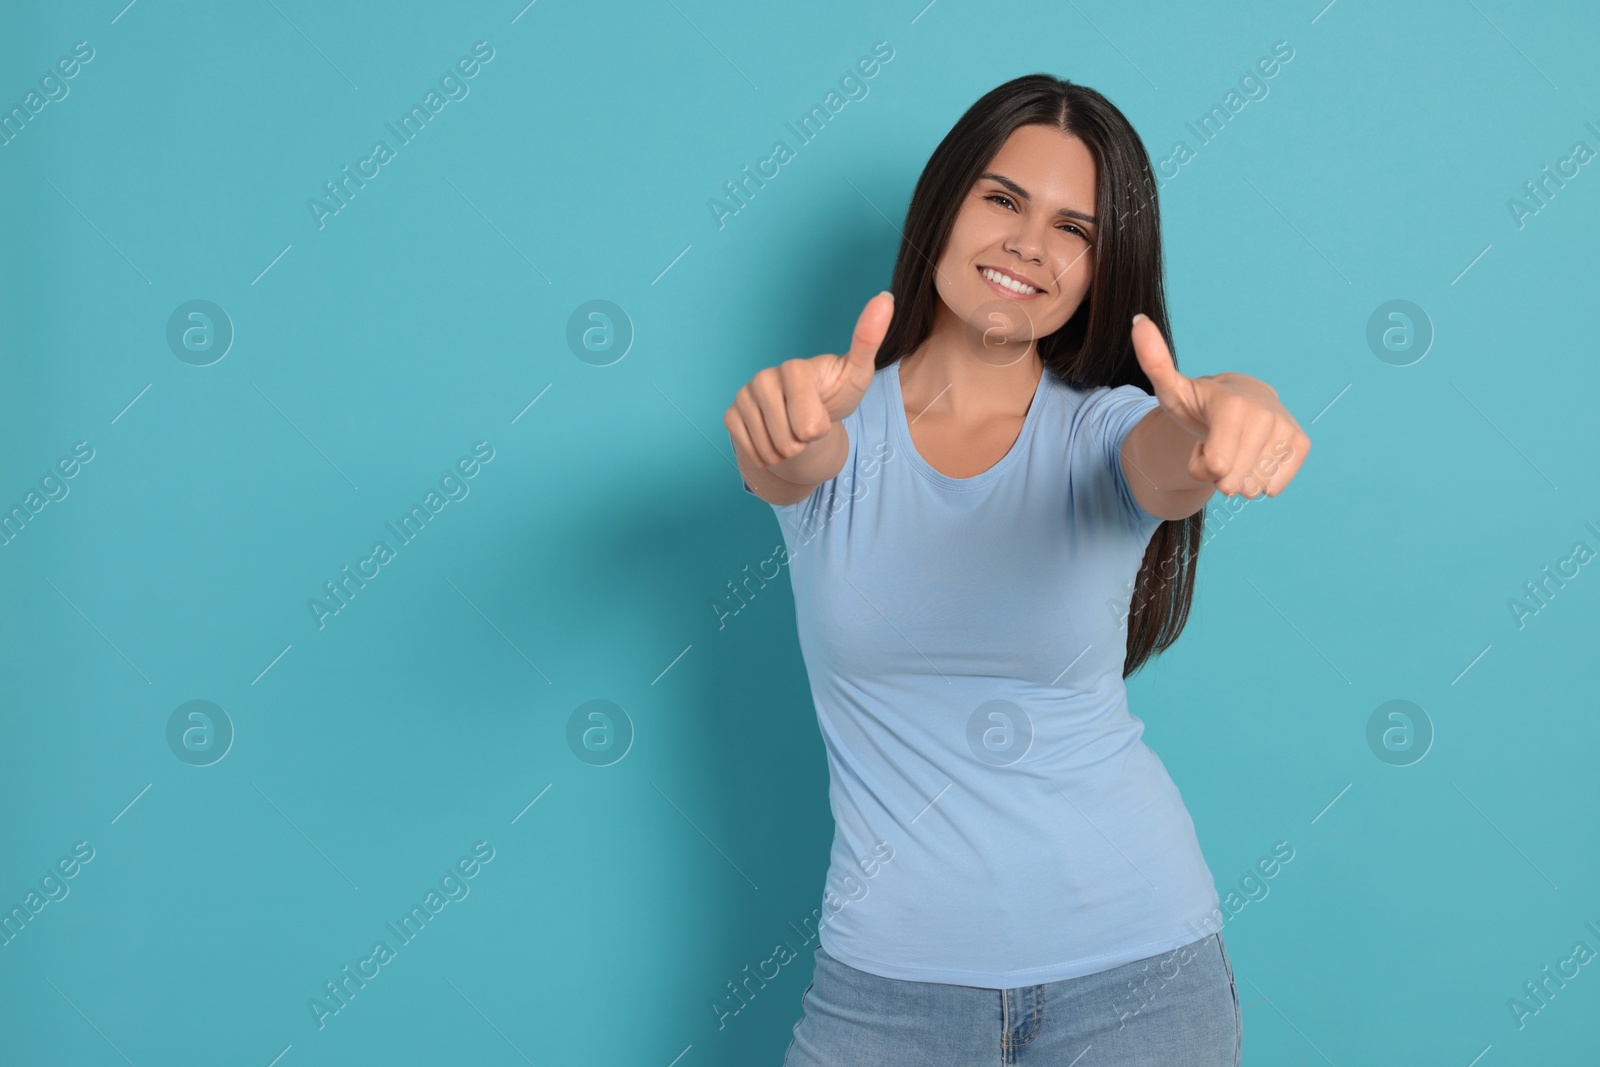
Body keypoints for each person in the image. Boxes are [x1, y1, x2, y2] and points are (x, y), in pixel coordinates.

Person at [724, 73, 1308, 1066]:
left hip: (1139, 979)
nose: (1028, 245)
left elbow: (1173, 450)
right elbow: (789, 457)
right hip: (885, 992)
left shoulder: (1102, 428)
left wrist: (1230, 407)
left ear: (1097, 267)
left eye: (1073, 227)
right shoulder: (827, 423)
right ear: (943, 206)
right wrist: (775, 424)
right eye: (1002, 198)